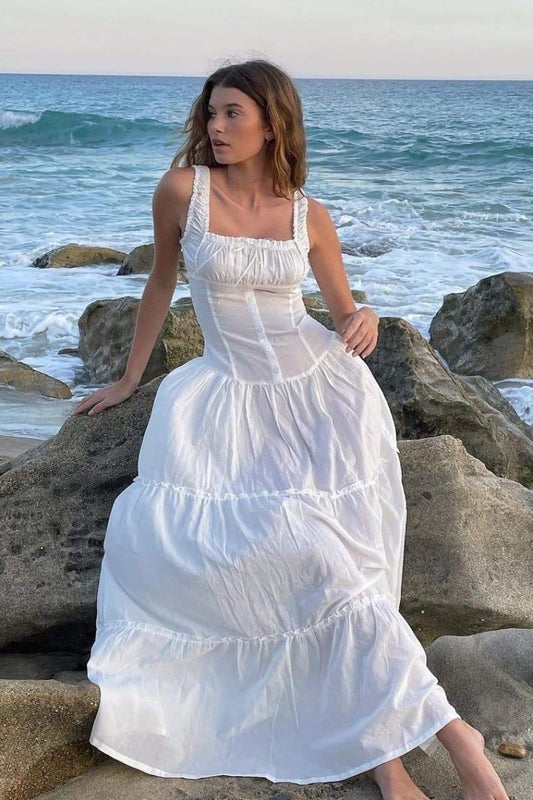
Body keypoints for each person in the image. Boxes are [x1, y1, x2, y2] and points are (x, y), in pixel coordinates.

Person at [75, 59, 509, 799]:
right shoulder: (183, 190)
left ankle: (410, 755)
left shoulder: (309, 213)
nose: (215, 127)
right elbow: (158, 283)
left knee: (346, 575)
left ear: (272, 122)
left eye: (232, 114)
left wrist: (361, 317)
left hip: (319, 398)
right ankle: (436, 746)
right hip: (223, 404)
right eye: (210, 113)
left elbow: (341, 310)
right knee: (311, 566)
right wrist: (126, 378)